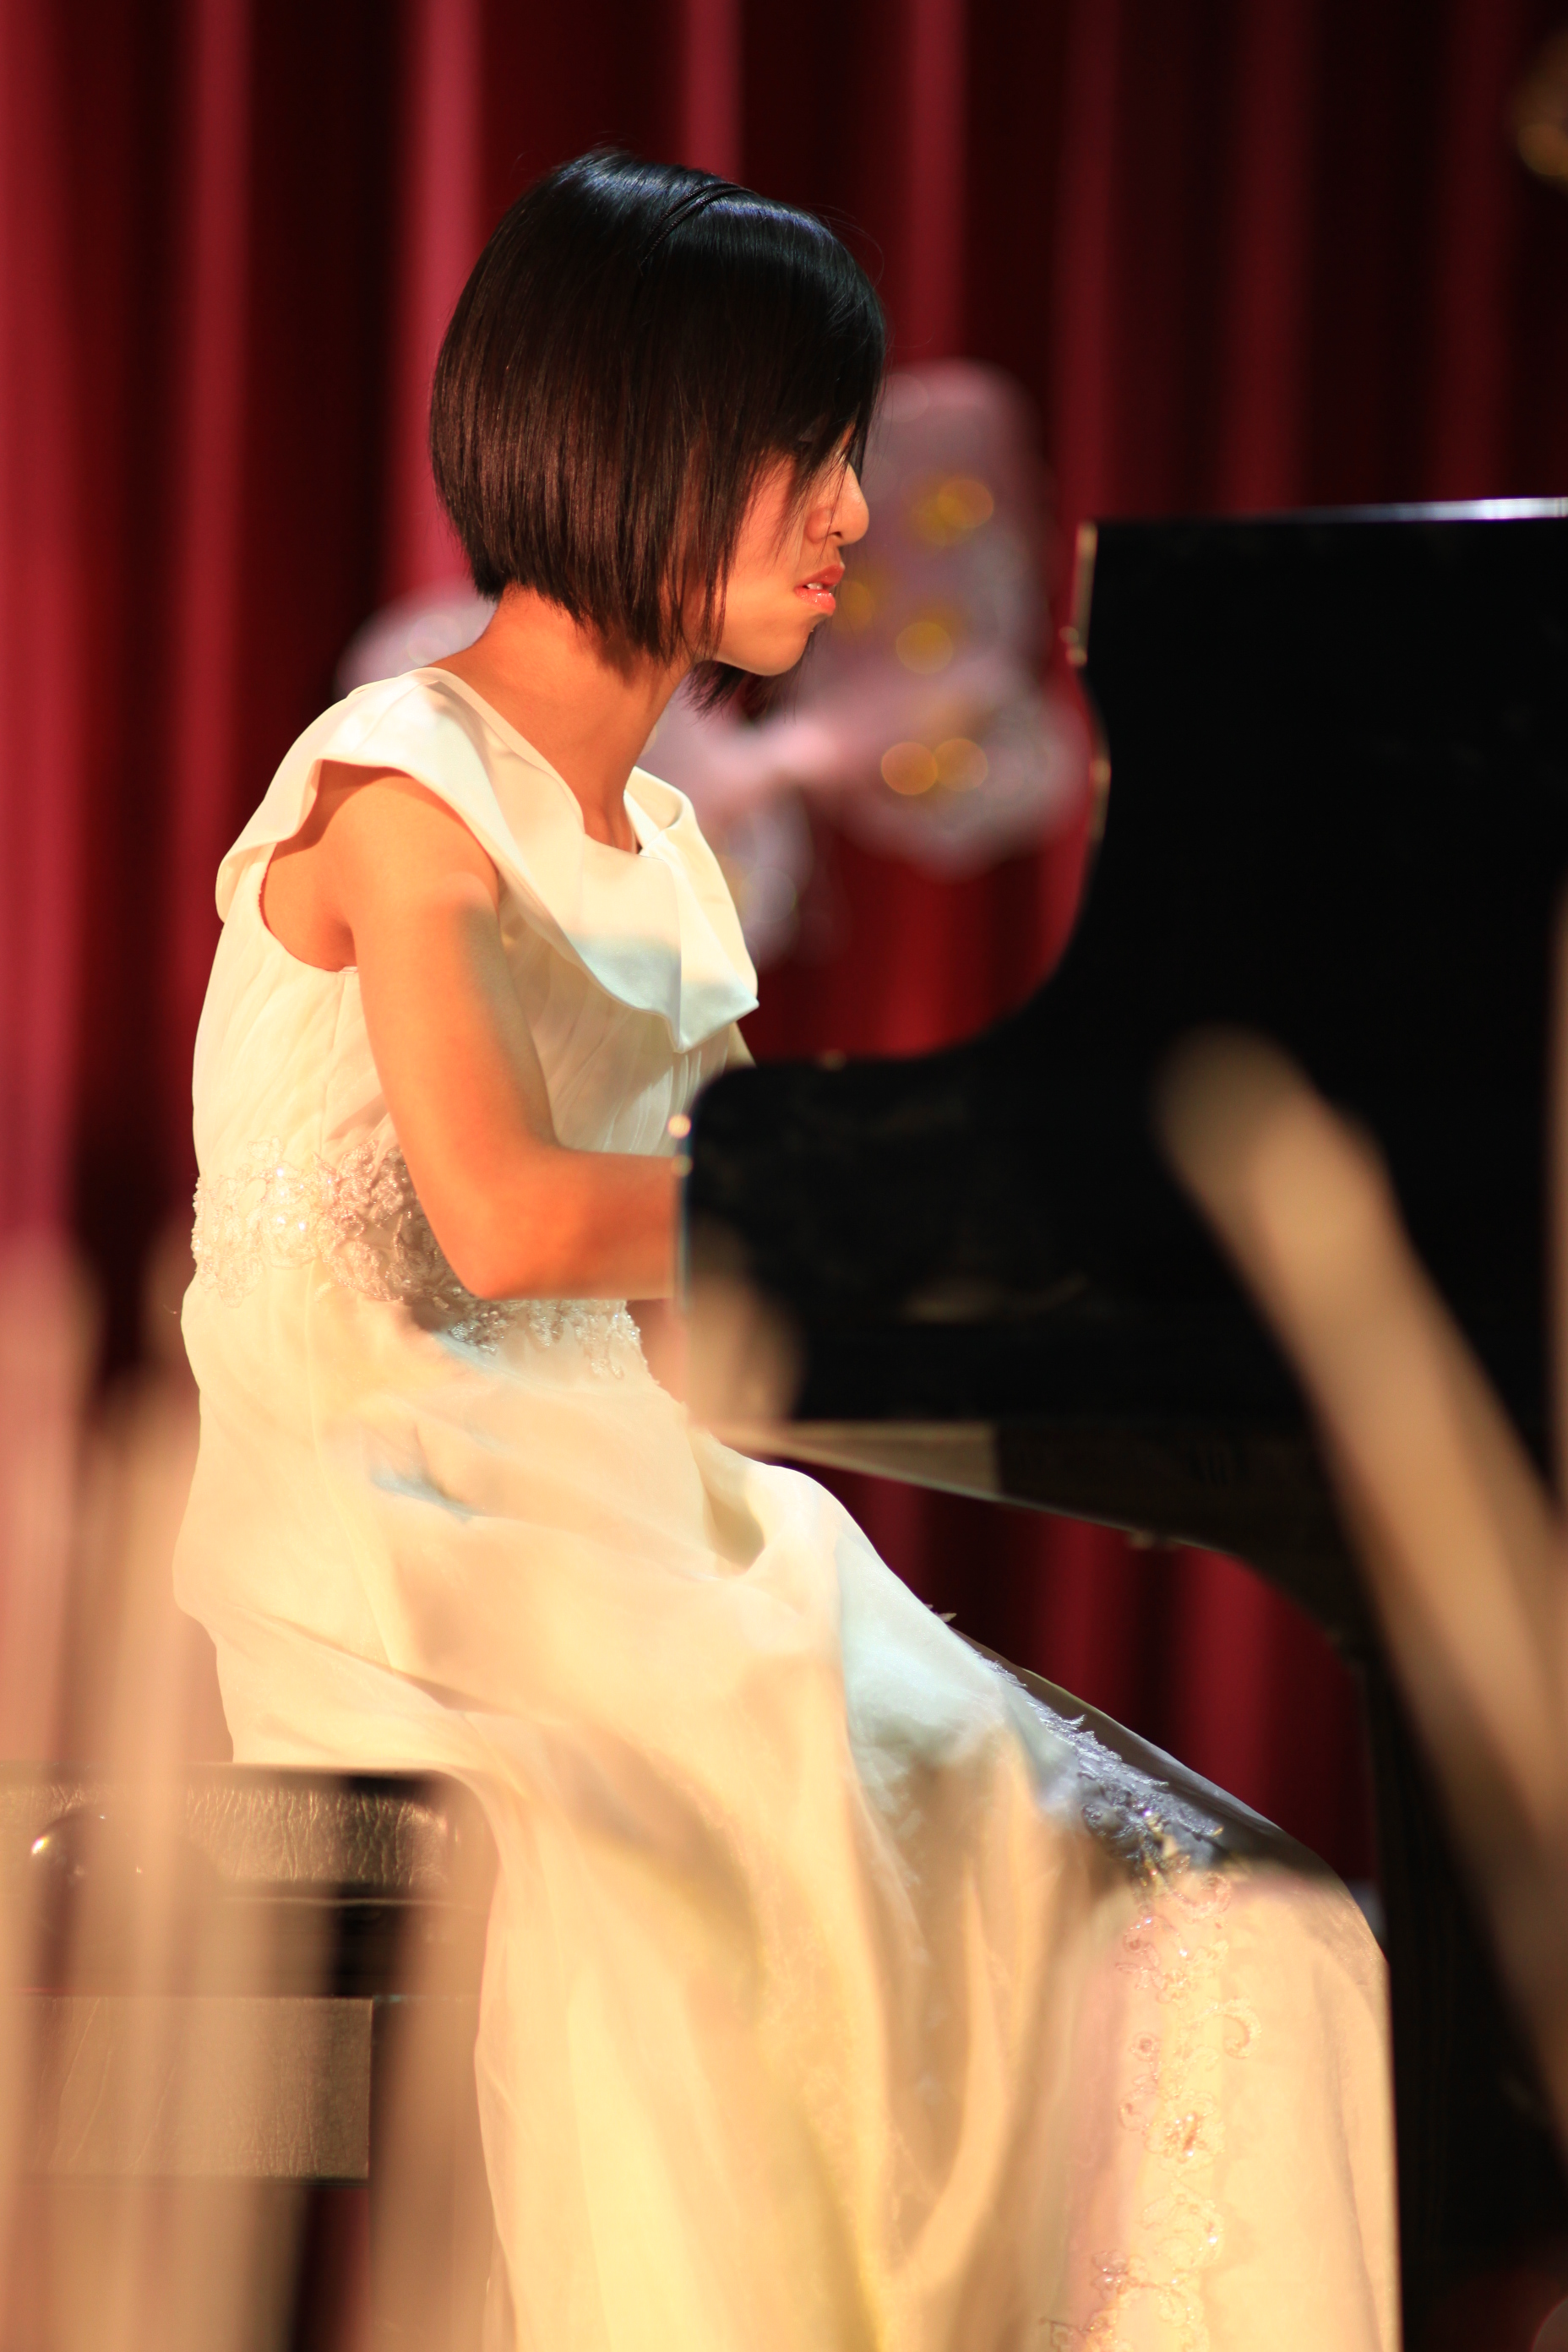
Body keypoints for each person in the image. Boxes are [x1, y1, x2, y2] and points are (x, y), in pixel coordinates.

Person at [174, 153, 1396, 2351]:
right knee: (754, 1866)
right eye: (804, 451)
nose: (854, 512)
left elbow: (717, 1305)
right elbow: (508, 1216)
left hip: (641, 1509)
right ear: (627, 434)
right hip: (410, 1526)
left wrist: (1088, 1296)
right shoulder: (399, 786)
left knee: (1238, 1912)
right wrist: (914, 1189)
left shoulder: (663, 845)